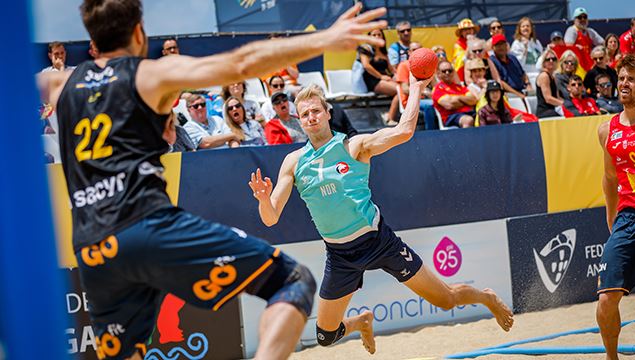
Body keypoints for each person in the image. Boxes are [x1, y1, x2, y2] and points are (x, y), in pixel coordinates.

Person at [38, 1, 387, 358]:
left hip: (94, 247)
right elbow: (240, 63)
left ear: (91, 40)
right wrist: (325, 39)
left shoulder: (56, 82)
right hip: (148, 224)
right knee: (292, 281)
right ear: (139, 33)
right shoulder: (149, 74)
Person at [248, 79, 514, 355]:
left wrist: (415, 85)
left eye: (316, 111)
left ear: (327, 113)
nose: (311, 117)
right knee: (326, 336)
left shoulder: (354, 146)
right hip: (340, 255)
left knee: (446, 299)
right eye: (305, 114)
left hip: (379, 242)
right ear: (299, 120)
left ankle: (486, 297)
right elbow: (270, 218)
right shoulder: (293, 162)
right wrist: (265, 200)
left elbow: (405, 130)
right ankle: (361, 322)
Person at [596, 54, 635, 360]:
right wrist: (612, 216)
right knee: (606, 301)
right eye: (621, 78)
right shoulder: (606, 129)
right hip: (627, 218)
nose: (624, 83)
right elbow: (610, 177)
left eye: (632, 79)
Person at [356, 29, 399, 125]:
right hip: (373, 80)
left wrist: (398, 76)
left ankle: (389, 115)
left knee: (402, 90)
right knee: (399, 90)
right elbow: (366, 66)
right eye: (374, 35)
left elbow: (391, 69)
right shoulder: (365, 48)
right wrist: (381, 77)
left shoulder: (384, 52)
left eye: (379, 34)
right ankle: (389, 118)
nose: (377, 37)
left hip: (385, 79)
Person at [432, 61, 478, 128]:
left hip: (469, 112)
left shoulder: (459, 87)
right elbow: (450, 105)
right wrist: (466, 101)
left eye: (450, 70)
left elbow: (473, 100)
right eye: (444, 71)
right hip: (451, 116)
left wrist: (458, 98)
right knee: (468, 120)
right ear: (438, 74)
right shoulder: (438, 89)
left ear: (453, 72)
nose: (447, 73)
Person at [490, 34, 530, 98]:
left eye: (502, 44)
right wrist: (517, 94)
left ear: (506, 45)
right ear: (493, 48)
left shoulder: (512, 58)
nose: (501, 47)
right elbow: (500, 82)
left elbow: (523, 74)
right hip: (507, 94)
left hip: (521, 91)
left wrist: (528, 85)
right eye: (498, 45)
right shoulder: (492, 61)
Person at [535, 49, 564, 118]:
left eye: (553, 59)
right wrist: (564, 104)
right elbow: (548, 99)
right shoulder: (544, 76)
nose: (551, 61)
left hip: (553, 109)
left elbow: (557, 97)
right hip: (544, 111)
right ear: (544, 63)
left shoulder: (553, 76)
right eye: (548, 59)